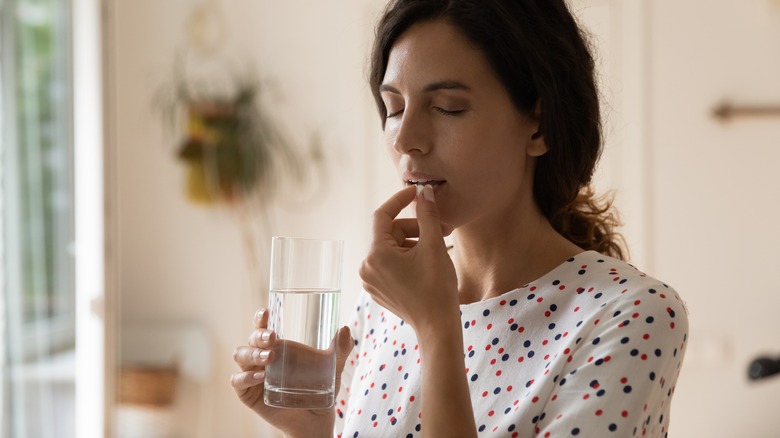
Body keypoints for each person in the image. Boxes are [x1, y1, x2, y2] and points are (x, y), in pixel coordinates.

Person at [231, 0, 689, 436]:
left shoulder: (631, 314)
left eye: (447, 107)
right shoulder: (382, 308)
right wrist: (311, 430)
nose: (406, 138)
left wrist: (436, 328)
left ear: (539, 126)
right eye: (393, 108)